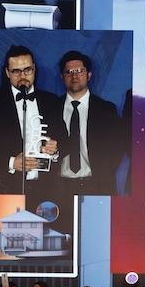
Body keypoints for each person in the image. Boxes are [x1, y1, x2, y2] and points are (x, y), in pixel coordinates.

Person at [0, 45, 62, 195]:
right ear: (7, 72)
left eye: (27, 70)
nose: (23, 76)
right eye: (16, 71)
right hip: (7, 188)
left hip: (48, 189)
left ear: (34, 69)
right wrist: (11, 163)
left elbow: (65, 140)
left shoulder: (52, 101)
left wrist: (55, 150)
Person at [56, 50, 126, 196]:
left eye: (80, 71)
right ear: (62, 77)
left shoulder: (106, 109)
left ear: (89, 75)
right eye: (69, 72)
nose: (74, 76)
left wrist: (104, 173)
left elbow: (118, 146)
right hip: (59, 187)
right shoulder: (52, 108)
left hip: (97, 186)